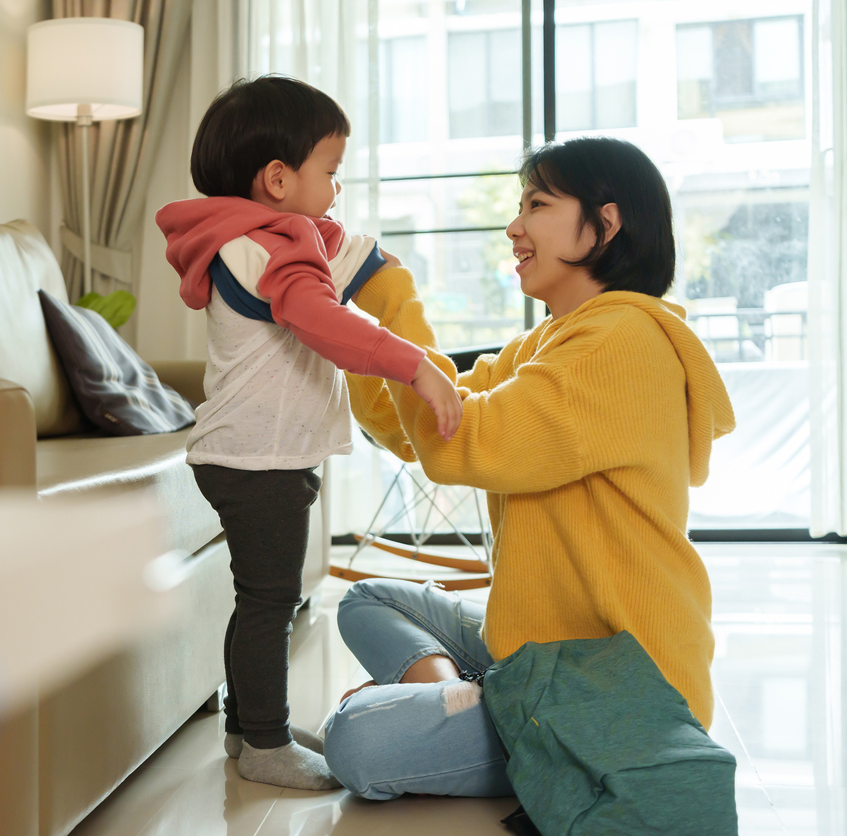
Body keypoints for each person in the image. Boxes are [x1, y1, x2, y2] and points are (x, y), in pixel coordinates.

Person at [322, 136, 736, 800]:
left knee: (356, 739)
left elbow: (459, 442)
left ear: (606, 223)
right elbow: (416, 427)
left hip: (613, 690)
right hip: (539, 648)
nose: (513, 226)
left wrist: (390, 293)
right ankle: (472, 699)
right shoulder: (550, 340)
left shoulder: (619, 341)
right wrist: (350, 326)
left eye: (536, 205)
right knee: (368, 599)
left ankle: (498, 719)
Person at [155, 76, 463, 791]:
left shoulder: (255, 240)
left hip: (256, 452)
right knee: (272, 600)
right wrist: (414, 365)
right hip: (256, 456)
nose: (336, 191)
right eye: (330, 173)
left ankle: (247, 725)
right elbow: (320, 314)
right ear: (276, 178)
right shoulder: (259, 252)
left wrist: (376, 263)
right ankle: (264, 743)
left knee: (262, 596)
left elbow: (331, 257)